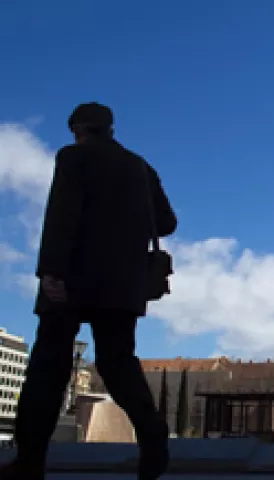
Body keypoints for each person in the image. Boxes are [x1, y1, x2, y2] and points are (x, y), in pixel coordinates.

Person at [0, 102, 178, 480]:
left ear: (77, 128)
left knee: (48, 367)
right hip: (122, 283)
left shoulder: (73, 157)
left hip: (72, 277)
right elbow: (166, 222)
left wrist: (50, 271)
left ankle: (29, 460)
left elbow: (61, 213)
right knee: (118, 363)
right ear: (110, 128)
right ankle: (152, 433)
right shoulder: (140, 167)